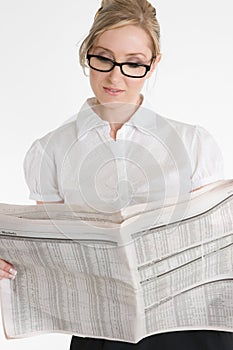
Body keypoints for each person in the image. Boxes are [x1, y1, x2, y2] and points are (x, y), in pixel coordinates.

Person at [0, 0, 232, 349]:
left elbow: (218, 245)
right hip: (102, 333)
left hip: (191, 329)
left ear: (153, 65)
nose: (115, 76)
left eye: (133, 64)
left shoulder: (192, 142)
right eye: (104, 58)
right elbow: (50, 252)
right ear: (86, 55)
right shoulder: (49, 150)